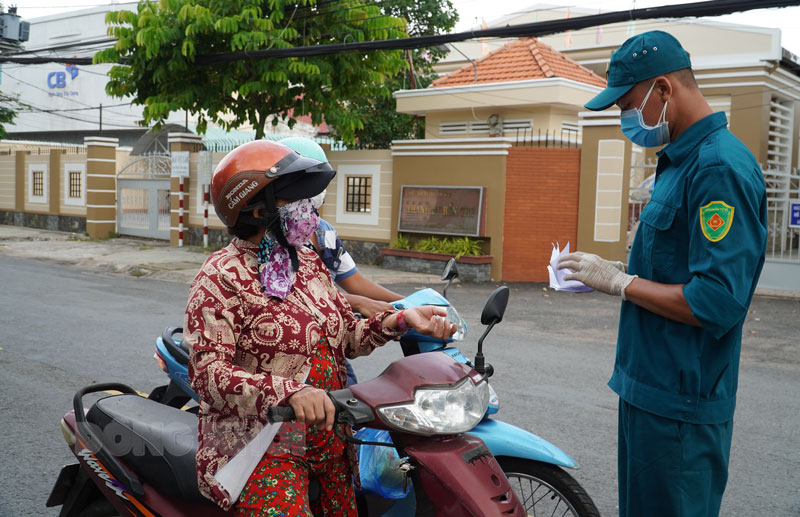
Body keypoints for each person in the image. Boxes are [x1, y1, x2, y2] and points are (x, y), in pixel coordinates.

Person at [184, 140, 456, 515]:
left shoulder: (307, 262)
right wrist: (289, 392)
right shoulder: (220, 275)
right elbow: (206, 374)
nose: (309, 208)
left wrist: (399, 320)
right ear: (255, 206)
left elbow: (346, 336)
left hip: (329, 441)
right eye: (295, 199)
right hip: (262, 446)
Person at [558, 31, 768, 516]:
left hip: (682, 407)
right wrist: (617, 270)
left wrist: (621, 284)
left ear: (664, 90)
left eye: (628, 104)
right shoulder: (677, 162)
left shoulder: (718, 169)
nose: (624, 118)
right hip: (647, 390)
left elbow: (716, 299)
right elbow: (670, 264)